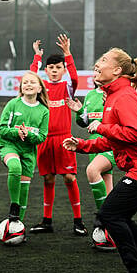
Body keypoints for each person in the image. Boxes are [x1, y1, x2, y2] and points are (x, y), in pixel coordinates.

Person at [63, 48, 137, 273]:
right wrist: (81, 145)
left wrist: (101, 127)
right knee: (118, 215)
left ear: (117, 70)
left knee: (110, 215)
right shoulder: (113, 96)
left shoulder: (123, 96)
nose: (96, 64)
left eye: (103, 60)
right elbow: (116, 140)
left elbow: (135, 134)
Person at [28, 34, 87, 236]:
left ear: (63, 69)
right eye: (51, 68)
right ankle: (47, 221)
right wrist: (37, 56)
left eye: (58, 68)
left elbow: (75, 77)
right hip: (44, 139)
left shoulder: (67, 87)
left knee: (70, 178)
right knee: (48, 179)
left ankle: (78, 221)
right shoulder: (40, 88)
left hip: (64, 139)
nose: (54, 71)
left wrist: (67, 54)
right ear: (46, 71)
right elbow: (31, 77)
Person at [67, 84, 117, 250]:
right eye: (95, 70)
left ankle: (102, 218)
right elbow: (83, 123)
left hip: (110, 143)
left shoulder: (115, 94)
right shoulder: (90, 95)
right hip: (94, 144)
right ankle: (113, 229)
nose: (96, 73)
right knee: (107, 182)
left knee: (93, 171)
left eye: (100, 69)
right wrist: (80, 111)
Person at [0, 72, 50, 223]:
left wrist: (28, 135)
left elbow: (42, 137)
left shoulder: (44, 111)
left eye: (32, 82)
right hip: (9, 145)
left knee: (24, 189)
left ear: (39, 88)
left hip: (28, 151)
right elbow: (1, 129)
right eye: (25, 82)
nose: (28, 84)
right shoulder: (13, 104)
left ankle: (18, 226)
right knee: (15, 167)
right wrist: (16, 132)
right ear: (21, 87)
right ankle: (14, 205)